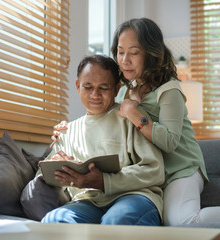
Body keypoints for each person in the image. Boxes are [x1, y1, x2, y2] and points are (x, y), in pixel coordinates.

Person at [110, 17, 220, 225]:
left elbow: (170, 142)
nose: (125, 59)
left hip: (180, 169)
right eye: (120, 51)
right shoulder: (123, 91)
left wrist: (135, 114)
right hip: (147, 173)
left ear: (150, 54)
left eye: (133, 52)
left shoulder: (169, 89)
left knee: (182, 223)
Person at [42, 54, 165, 226]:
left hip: (133, 197)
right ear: (78, 86)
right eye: (88, 86)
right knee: (53, 220)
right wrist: (58, 165)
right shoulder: (66, 131)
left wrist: (105, 181)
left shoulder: (130, 118)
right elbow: (43, 176)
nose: (95, 94)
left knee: (116, 221)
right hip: (87, 202)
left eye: (103, 88)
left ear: (116, 89)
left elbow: (154, 170)